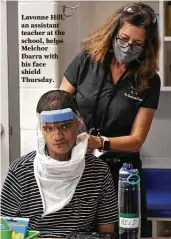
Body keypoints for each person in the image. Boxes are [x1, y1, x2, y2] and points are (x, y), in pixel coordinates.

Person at [60, 2, 161, 237]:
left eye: (137, 44)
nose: (128, 47)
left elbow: (136, 140)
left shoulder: (148, 80)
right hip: (80, 169)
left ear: (146, 47)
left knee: (125, 232)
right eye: (124, 39)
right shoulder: (86, 60)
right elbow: (59, 104)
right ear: (114, 31)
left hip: (122, 174)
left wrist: (100, 142)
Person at [1, 90, 118, 238]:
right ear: (40, 129)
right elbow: (5, 230)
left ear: (78, 123)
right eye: (48, 128)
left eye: (65, 126)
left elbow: (107, 232)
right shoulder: (21, 171)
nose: (57, 136)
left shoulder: (98, 171)